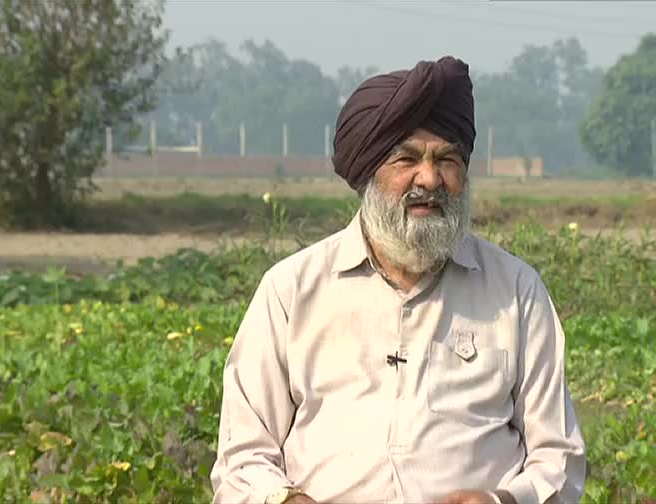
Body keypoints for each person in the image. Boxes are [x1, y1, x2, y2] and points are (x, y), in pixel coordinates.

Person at [210, 55, 586, 504]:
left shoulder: (517, 292)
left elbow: (559, 459)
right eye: (405, 158)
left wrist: (502, 501)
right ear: (367, 171)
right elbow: (242, 459)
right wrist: (284, 499)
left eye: (447, 160)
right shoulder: (292, 291)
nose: (428, 178)